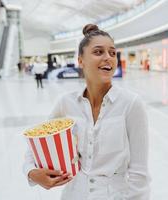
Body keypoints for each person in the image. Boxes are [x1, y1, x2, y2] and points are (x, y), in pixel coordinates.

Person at [23, 24, 150, 199]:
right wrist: (31, 172)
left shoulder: (131, 104)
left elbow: (139, 173)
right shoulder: (66, 103)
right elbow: (36, 142)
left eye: (112, 53)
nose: (108, 58)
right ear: (81, 60)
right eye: (99, 52)